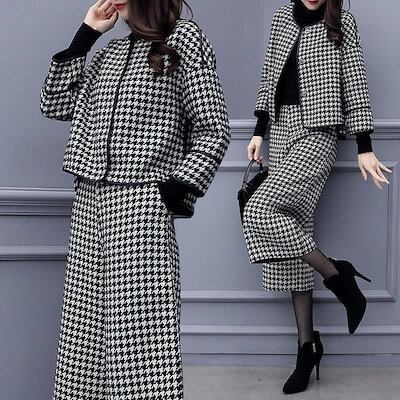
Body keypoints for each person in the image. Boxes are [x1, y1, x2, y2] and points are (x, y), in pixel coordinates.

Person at [39, 1, 230, 398]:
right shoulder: (109, 52)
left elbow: (213, 129)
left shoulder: (185, 39)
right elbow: (55, 105)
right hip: (89, 203)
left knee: (141, 342)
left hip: (141, 205)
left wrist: (172, 191)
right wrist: (85, 35)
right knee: (83, 341)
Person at [241, 0, 391, 394]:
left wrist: (364, 145)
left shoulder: (341, 20)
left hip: (318, 131)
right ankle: (307, 348)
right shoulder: (281, 17)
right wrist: (258, 131)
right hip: (280, 131)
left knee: (260, 209)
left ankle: (337, 274)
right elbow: (269, 74)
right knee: (294, 235)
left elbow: (355, 80)